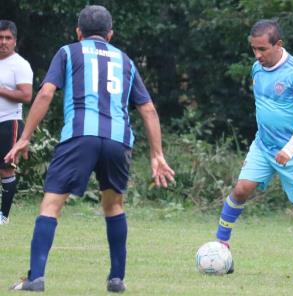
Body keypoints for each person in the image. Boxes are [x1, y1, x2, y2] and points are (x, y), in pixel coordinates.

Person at [5, 5, 175, 293]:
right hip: (118, 140)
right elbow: (147, 108)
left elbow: (46, 92)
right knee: (114, 205)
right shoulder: (126, 60)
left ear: (78, 32)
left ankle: (35, 278)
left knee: (51, 204)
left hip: (80, 136)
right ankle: (116, 278)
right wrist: (157, 154)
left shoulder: (69, 52)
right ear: (110, 34)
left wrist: (25, 136)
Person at [214, 19, 293, 281]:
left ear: (279, 45)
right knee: (241, 189)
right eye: (254, 49)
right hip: (263, 146)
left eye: (262, 49)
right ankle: (221, 248)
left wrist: (289, 148)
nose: (257, 55)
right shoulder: (257, 69)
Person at [0, 20, 33, 225]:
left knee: (5, 169)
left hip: (8, 121)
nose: (3, 42)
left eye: (7, 38)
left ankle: (3, 215)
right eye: (0, 38)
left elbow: (26, 95)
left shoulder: (20, 64)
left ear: (14, 40)